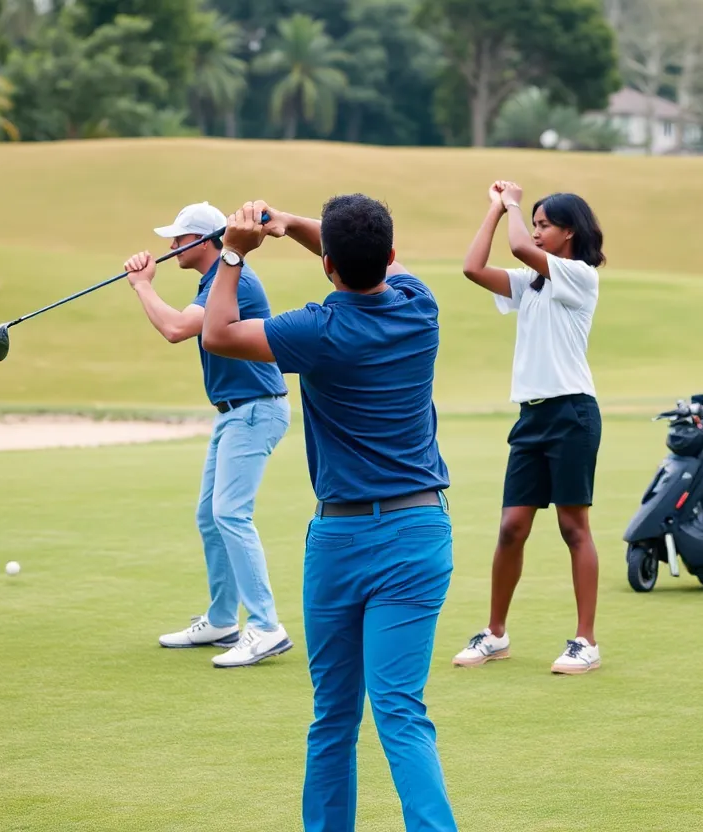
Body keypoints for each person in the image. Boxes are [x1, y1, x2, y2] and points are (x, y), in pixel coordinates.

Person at [201, 196, 456, 832]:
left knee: (334, 716)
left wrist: (235, 251)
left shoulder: (315, 330)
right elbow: (354, 255)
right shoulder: (418, 305)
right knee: (400, 711)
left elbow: (218, 333)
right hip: (421, 530)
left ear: (327, 268)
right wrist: (288, 225)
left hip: (341, 538)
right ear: (392, 257)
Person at [124, 201, 293, 667]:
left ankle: (265, 626)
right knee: (209, 516)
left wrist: (141, 286)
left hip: (256, 410)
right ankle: (223, 620)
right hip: (233, 413)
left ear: (203, 240)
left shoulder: (233, 277)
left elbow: (178, 329)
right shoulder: (213, 279)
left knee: (231, 514)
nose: (171, 246)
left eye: (178, 238)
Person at [454, 181, 604, 675]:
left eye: (545, 225)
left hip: (573, 414)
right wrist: (496, 209)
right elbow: (473, 268)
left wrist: (514, 202)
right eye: (534, 224)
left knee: (571, 527)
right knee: (511, 527)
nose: (536, 233)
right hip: (532, 416)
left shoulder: (579, 275)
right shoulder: (532, 283)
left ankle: (586, 641)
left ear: (569, 232)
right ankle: (495, 634)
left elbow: (519, 247)